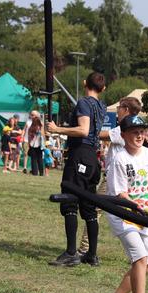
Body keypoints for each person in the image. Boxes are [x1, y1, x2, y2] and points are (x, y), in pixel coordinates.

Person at [101, 114, 148, 293]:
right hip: (124, 216)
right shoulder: (119, 159)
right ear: (123, 135)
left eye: (142, 132)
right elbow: (121, 194)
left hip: (143, 216)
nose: (140, 136)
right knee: (140, 259)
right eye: (135, 132)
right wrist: (137, 209)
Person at [47, 72, 106, 267]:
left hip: (80, 154)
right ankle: (92, 254)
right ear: (103, 89)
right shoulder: (101, 106)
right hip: (92, 158)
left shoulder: (84, 103)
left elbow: (83, 130)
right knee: (89, 205)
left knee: (70, 202)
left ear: (84, 83)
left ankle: (72, 252)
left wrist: (57, 129)